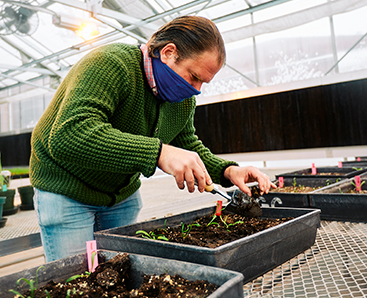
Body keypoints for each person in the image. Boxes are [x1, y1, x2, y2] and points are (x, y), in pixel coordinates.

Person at [29, 15, 276, 262]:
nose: (197, 89)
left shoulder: (182, 99)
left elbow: (186, 144)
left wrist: (228, 171)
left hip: (121, 195)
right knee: (76, 280)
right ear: (168, 52)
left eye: (203, 82)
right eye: (194, 76)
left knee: (118, 273)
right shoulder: (110, 64)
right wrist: (159, 153)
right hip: (67, 190)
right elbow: (68, 135)